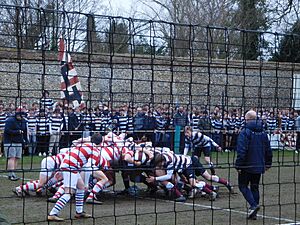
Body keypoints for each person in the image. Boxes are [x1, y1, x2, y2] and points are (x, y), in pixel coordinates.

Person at [235, 110, 273, 220]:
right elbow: (268, 149)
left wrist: (238, 165)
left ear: (247, 119)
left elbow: (242, 150)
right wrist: (268, 163)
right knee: (255, 187)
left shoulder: (245, 132)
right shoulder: (263, 132)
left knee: (243, 186)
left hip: (247, 165)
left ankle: (253, 205)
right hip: (259, 166)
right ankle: (254, 213)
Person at [3, 107, 28, 181]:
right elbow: (7, 130)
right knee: (11, 157)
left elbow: (25, 132)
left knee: (17, 157)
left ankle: (12, 173)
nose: (22, 117)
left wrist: (26, 141)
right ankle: (11, 174)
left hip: (19, 142)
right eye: (21, 115)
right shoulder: (10, 120)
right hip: (9, 142)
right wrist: (17, 132)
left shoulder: (24, 121)